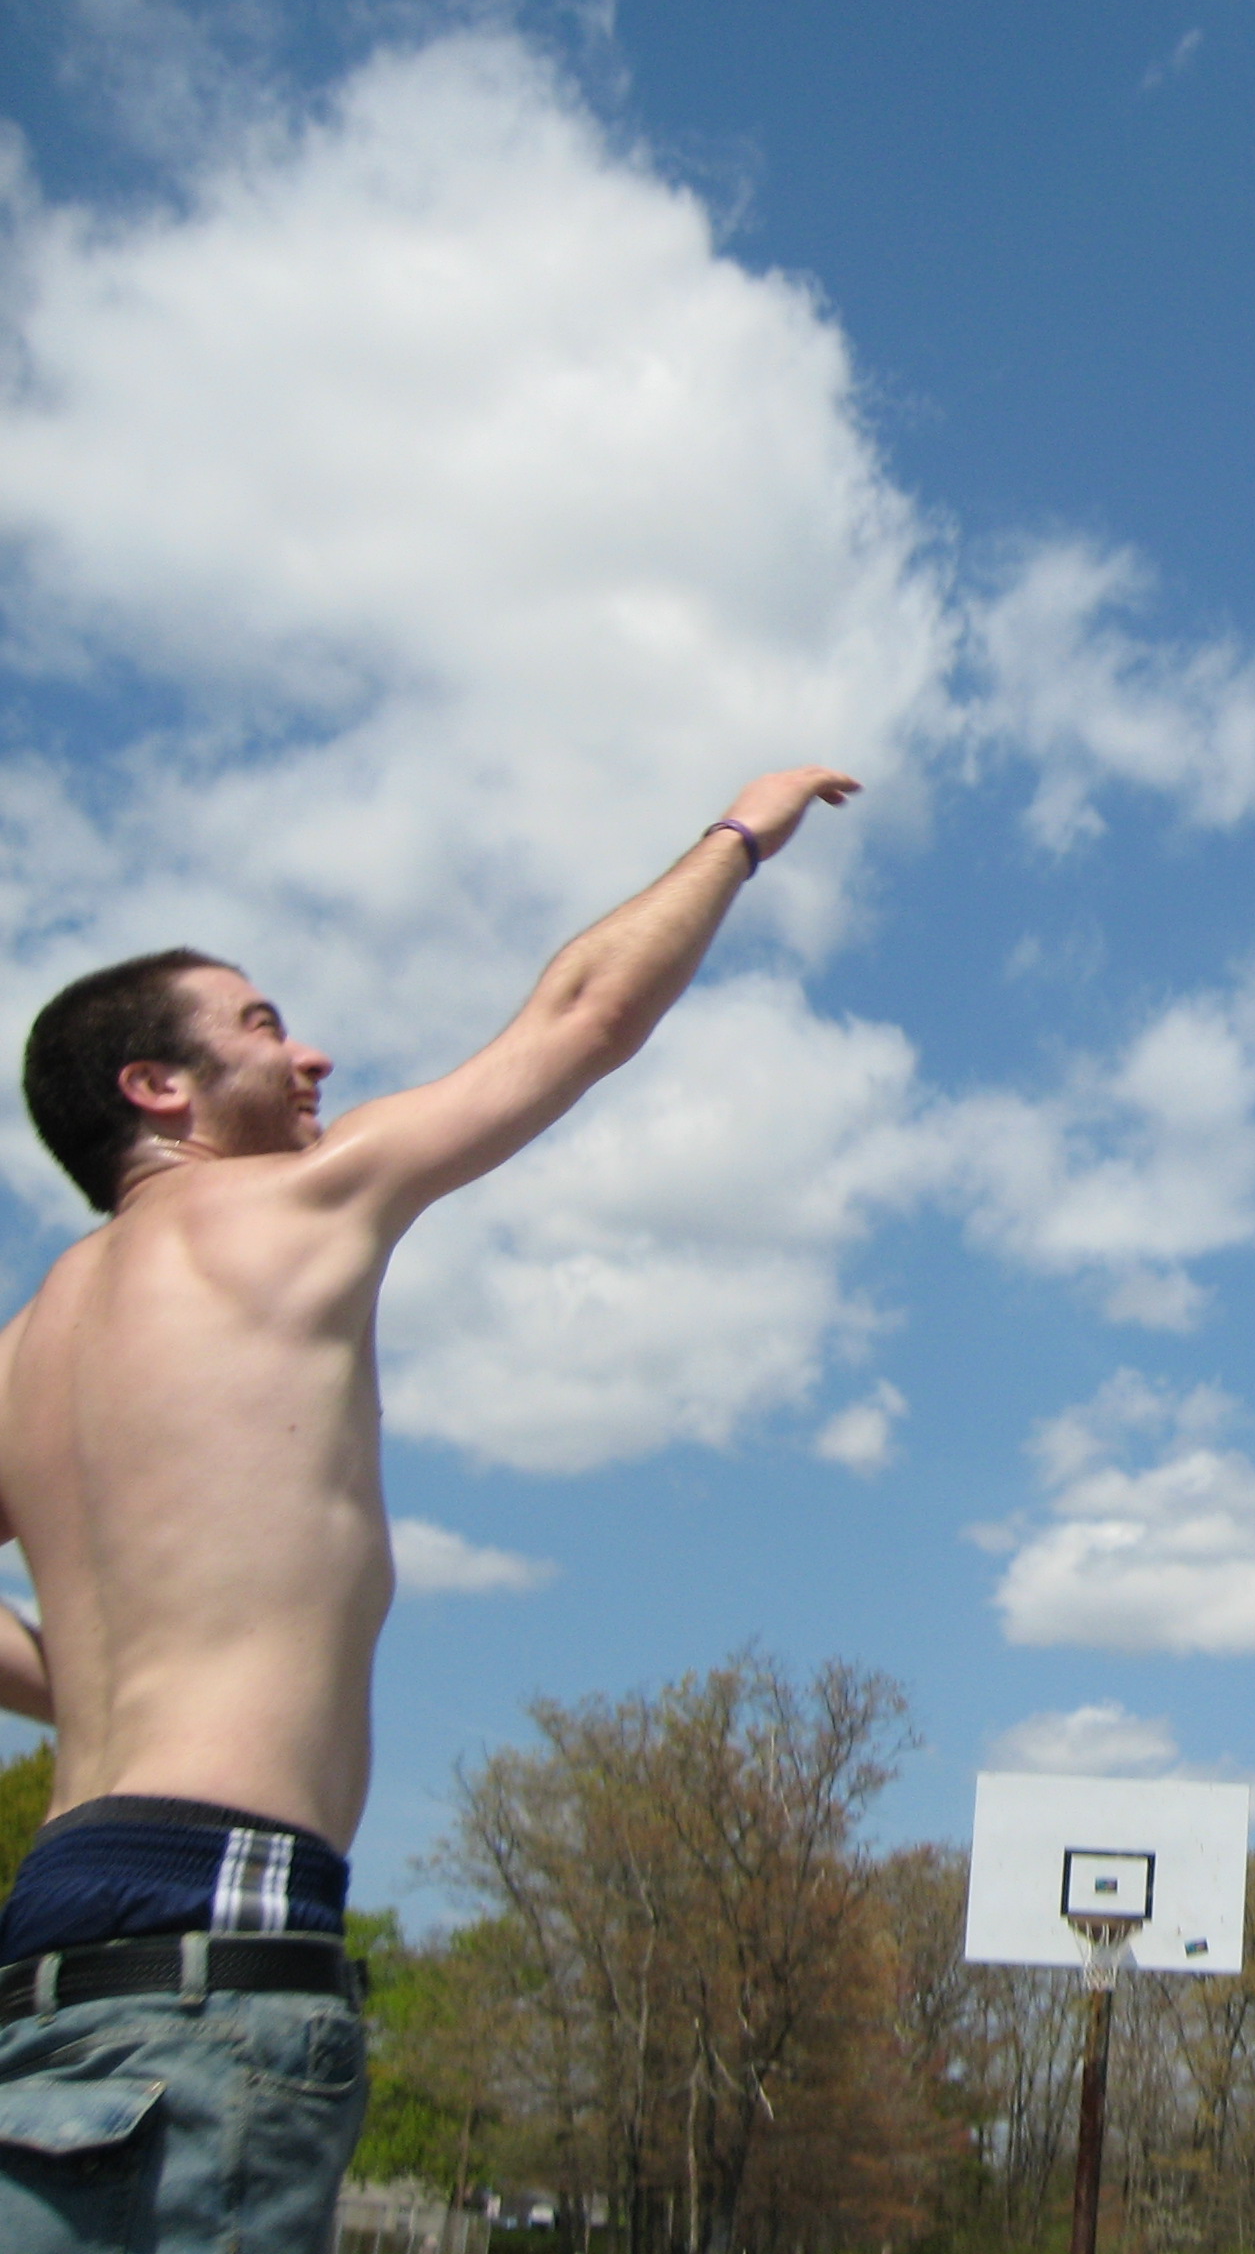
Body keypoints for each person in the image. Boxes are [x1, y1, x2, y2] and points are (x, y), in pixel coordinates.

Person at [0, 765, 858, 2250]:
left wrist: (91, 1673)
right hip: (225, 1936)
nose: (312, 1051)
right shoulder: (287, 1211)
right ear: (159, 1089)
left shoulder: (31, 1346)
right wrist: (738, 837)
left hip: (49, 1957)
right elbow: (579, 1020)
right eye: (262, 1026)